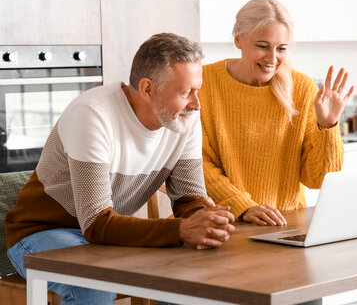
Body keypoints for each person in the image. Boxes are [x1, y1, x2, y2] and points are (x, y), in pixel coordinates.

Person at [4, 33, 235, 304]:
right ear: (148, 89)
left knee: (194, 269)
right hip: (42, 233)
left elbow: (188, 198)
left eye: (198, 90)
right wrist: (182, 230)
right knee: (92, 284)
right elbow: (96, 224)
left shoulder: (182, 120)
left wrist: (205, 221)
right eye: (185, 92)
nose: (196, 104)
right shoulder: (92, 115)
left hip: (105, 232)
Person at [199, 0, 354, 226]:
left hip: (286, 226)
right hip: (226, 223)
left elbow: (319, 179)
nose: (272, 59)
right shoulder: (205, 84)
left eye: (281, 48)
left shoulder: (302, 88)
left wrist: (328, 126)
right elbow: (198, 164)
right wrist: (244, 206)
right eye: (262, 46)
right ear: (238, 39)